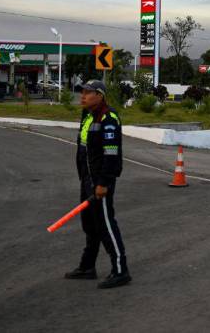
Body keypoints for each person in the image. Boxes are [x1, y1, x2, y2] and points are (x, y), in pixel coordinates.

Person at [64, 79, 131, 288]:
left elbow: (111, 155)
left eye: (88, 92)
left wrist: (103, 183)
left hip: (100, 183)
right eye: (82, 92)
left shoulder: (108, 118)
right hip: (87, 180)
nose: (82, 96)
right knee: (90, 225)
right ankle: (87, 267)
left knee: (106, 225)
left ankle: (121, 270)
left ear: (100, 96)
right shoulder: (88, 116)